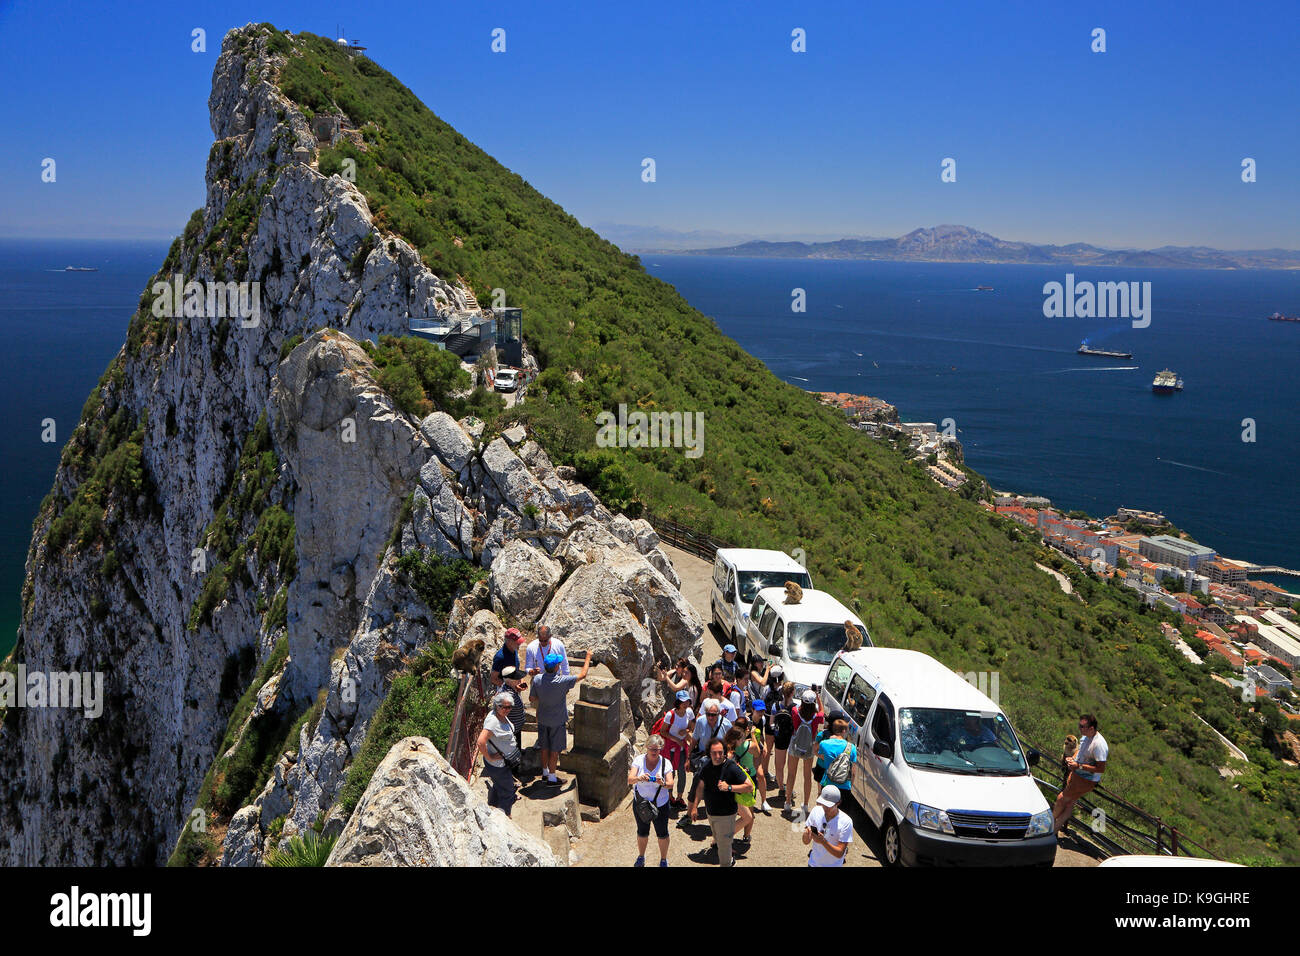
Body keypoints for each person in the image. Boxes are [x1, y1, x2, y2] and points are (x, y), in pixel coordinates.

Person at [689, 737, 752, 867]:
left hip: (726, 815)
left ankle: (728, 861)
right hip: (711, 813)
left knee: (723, 853)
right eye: (714, 753)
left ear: (724, 752)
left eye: (720, 752)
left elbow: (749, 786)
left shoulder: (731, 767)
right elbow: (700, 786)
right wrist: (694, 807)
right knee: (718, 838)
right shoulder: (707, 766)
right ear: (709, 753)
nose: (717, 756)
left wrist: (729, 787)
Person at [533, 649, 592, 784]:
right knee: (554, 750)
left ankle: (545, 772)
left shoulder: (537, 679)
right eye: (558, 664)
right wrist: (588, 657)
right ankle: (552, 779)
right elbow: (583, 674)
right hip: (557, 721)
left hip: (542, 718)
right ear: (555, 667)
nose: (559, 665)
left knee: (544, 747)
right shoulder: (562, 681)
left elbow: (532, 697)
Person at [1052, 714, 1108, 834]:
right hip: (1077, 774)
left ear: (1091, 728)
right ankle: (1054, 830)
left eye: (1082, 726)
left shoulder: (1099, 745)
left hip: (1085, 779)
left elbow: (1101, 768)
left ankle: (1048, 826)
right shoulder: (1085, 737)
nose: (1080, 728)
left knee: (1061, 799)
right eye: (1079, 725)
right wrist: (1072, 758)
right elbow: (1080, 750)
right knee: (1069, 803)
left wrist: (1079, 766)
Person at [628, 734, 675, 866]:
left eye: (657, 749)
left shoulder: (666, 763)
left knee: (662, 833)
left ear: (661, 749)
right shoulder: (638, 760)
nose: (654, 752)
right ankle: (641, 857)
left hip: (660, 805)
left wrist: (662, 783)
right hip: (641, 804)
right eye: (651, 749)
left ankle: (663, 859)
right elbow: (630, 779)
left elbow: (671, 784)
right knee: (642, 832)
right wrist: (640, 778)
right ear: (647, 748)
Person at [477, 692, 521, 816]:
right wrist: (489, 757)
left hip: (503, 761)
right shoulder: (493, 722)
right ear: (497, 706)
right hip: (498, 764)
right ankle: (505, 817)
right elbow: (480, 742)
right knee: (508, 791)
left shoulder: (500, 715)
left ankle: (492, 807)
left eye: (509, 707)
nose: (507, 710)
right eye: (504, 707)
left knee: (498, 785)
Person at [686, 701, 732, 817]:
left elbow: (731, 744)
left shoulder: (726, 725)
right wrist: (688, 758)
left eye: (714, 714)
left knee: (719, 788)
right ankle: (688, 814)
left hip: (720, 760)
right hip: (704, 759)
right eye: (708, 714)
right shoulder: (701, 722)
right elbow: (694, 740)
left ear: (719, 713)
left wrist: (730, 757)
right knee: (696, 785)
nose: (711, 717)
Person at [784, 690, 824, 822]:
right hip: (809, 748)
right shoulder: (816, 717)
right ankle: (806, 805)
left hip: (795, 745)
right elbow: (822, 712)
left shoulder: (795, 711)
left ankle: (788, 802)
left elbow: (794, 709)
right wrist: (818, 698)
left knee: (791, 774)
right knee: (807, 777)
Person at [803, 785, 854, 867]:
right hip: (813, 864)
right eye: (823, 804)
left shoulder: (846, 822)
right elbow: (805, 842)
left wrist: (823, 842)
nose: (825, 808)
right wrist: (806, 834)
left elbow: (840, 853)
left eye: (829, 806)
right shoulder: (816, 811)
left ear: (838, 803)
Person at [660, 690, 695, 807]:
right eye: (683, 702)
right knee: (670, 773)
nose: (685, 704)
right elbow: (663, 731)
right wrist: (677, 740)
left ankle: (679, 797)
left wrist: (686, 731)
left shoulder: (689, 712)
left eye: (687, 701)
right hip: (670, 748)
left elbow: (692, 727)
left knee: (682, 773)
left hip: (681, 749)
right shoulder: (670, 715)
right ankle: (670, 797)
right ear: (678, 702)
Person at [724, 726, 757, 842]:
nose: (743, 741)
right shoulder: (729, 754)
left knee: (734, 817)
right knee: (748, 817)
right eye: (741, 739)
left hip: (731, 790)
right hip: (732, 791)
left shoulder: (728, 751)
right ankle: (723, 839)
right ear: (735, 740)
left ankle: (722, 840)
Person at [525, 625, 568, 704]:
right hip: (538, 681)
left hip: (555, 680)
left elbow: (565, 665)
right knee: (538, 708)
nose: (543, 643)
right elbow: (528, 667)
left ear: (550, 636)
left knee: (555, 707)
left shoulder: (558, 645)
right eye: (541, 640)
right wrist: (532, 671)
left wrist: (565, 683)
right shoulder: (531, 647)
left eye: (546, 640)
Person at [768, 681, 796, 801]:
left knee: (779, 766)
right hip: (791, 739)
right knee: (791, 768)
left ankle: (781, 788)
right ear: (792, 692)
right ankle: (789, 791)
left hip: (779, 739)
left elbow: (771, 724)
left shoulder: (776, 706)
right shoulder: (795, 707)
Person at [816, 717, 857, 793]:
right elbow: (853, 772)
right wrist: (850, 787)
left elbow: (820, 754)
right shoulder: (852, 748)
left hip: (827, 784)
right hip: (844, 786)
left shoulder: (824, 743)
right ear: (844, 731)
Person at [498, 665, 528, 753]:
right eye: (517, 678)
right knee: (513, 751)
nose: (520, 680)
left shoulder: (508, 687)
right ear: (510, 681)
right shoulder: (508, 696)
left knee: (517, 745)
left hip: (515, 727)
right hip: (511, 731)